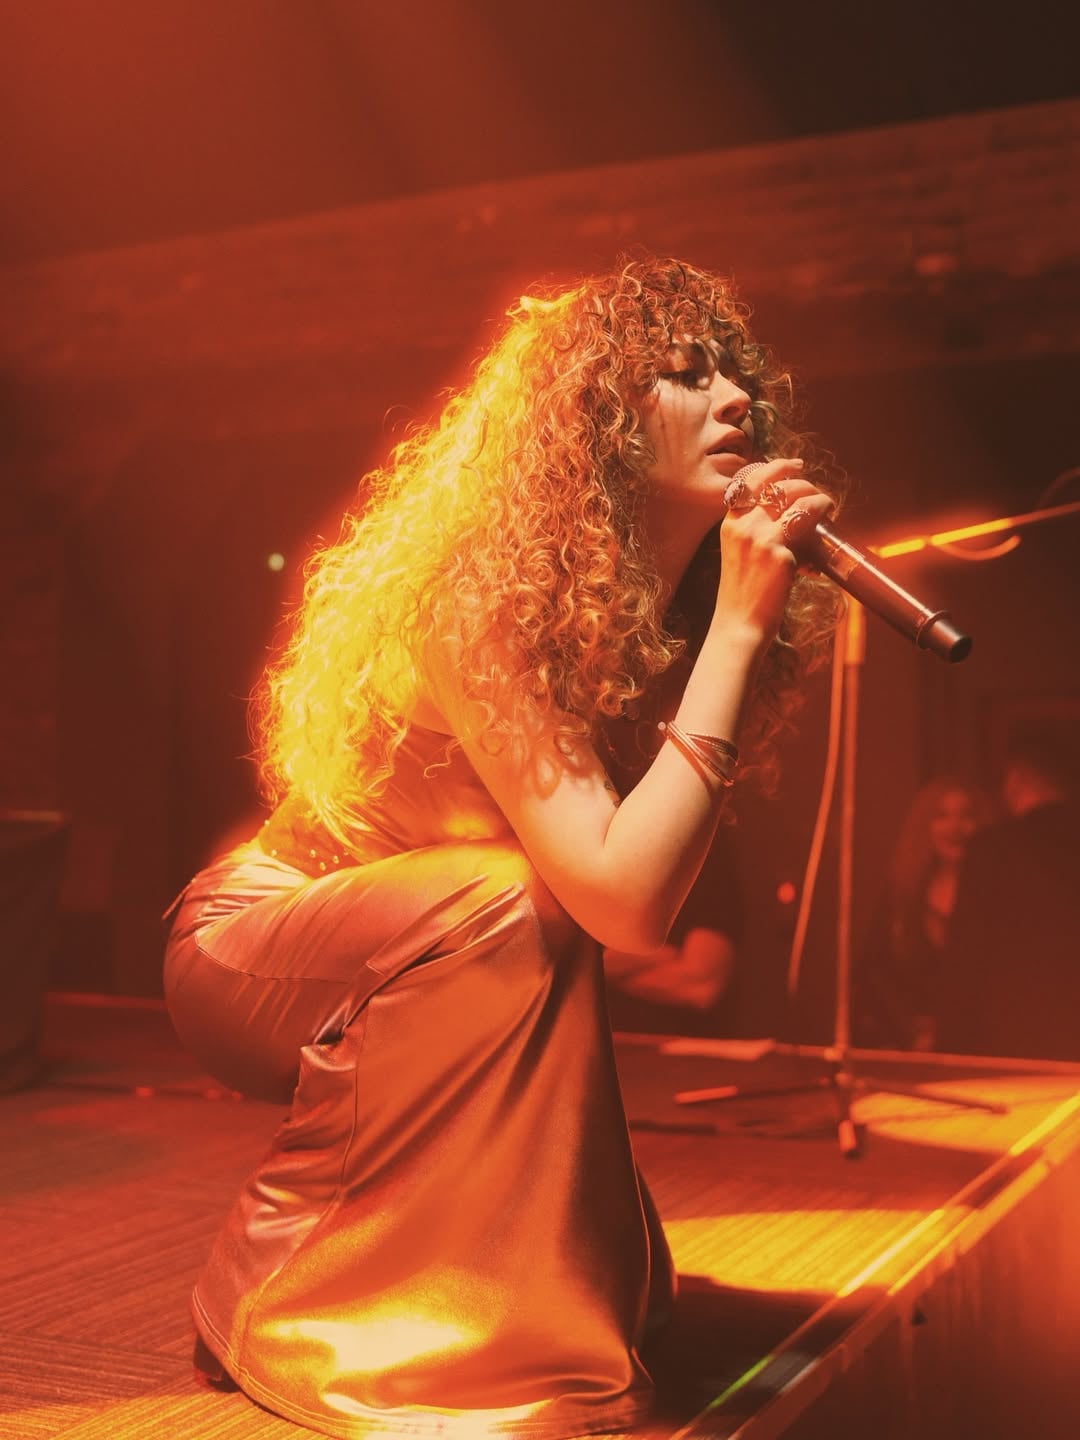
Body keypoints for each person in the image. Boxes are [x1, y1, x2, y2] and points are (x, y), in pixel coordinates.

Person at [163, 256, 842, 1440]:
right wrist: (740, 626)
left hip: (438, 957)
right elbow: (626, 905)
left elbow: (626, 897)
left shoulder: (645, 619)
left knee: (515, 909)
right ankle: (280, 1294)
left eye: (735, 376)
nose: (736, 397)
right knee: (508, 898)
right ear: (595, 420)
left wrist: (727, 628)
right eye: (685, 375)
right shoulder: (483, 595)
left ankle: (495, 1281)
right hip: (255, 949)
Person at [939, 728, 1080, 1060]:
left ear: (1015, 779)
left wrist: (949, 1049)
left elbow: (967, 957)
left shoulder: (993, 850)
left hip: (1012, 1046)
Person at [854, 776, 993, 1051]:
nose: (955, 827)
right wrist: (910, 1030)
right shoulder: (902, 896)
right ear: (925, 827)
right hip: (912, 1049)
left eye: (966, 816)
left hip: (981, 1046)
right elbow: (874, 973)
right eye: (942, 816)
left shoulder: (995, 897)